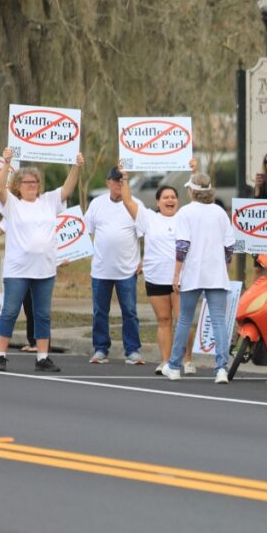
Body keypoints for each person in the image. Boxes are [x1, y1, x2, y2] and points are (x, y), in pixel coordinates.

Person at [0, 147, 83, 372]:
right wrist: (6, 163)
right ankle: (1, 355)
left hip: (45, 269)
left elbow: (68, 188)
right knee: (11, 311)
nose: (32, 185)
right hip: (17, 270)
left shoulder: (49, 201)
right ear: (18, 186)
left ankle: (42, 357)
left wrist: (76, 166)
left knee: (42, 314)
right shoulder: (13, 204)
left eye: (35, 182)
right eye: (27, 182)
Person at [119, 160, 195, 375]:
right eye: (165, 197)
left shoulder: (186, 217)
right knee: (163, 320)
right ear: (158, 202)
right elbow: (126, 200)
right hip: (156, 277)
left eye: (173, 197)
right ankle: (166, 361)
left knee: (183, 320)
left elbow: (199, 196)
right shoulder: (148, 218)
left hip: (181, 278)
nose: (170, 200)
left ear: (178, 201)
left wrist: (194, 170)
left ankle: (187, 360)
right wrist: (124, 175)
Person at [161, 172, 235, 383]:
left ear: (192, 191)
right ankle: (221, 368)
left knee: (184, 319)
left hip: (192, 273)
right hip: (216, 273)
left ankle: (174, 366)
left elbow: (182, 246)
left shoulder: (185, 213)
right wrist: (225, 268)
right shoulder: (220, 212)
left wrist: (176, 274)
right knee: (218, 320)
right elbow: (229, 246)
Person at [86, 167, 144, 365]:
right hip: (101, 269)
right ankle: (101, 349)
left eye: (123, 180)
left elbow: (147, 234)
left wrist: (144, 259)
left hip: (127, 270)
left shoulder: (136, 205)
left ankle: (132, 350)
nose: (119, 183)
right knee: (100, 311)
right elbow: (85, 232)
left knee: (129, 311)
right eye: (115, 180)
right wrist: (71, 254)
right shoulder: (96, 204)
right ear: (108, 182)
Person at [0, 205, 39, 351]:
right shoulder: (12, 213)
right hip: (17, 269)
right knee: (16, 309)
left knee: (37, 308)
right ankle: (31, 343)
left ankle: (39, 344)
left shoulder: (40, 211)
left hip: (37, 266)